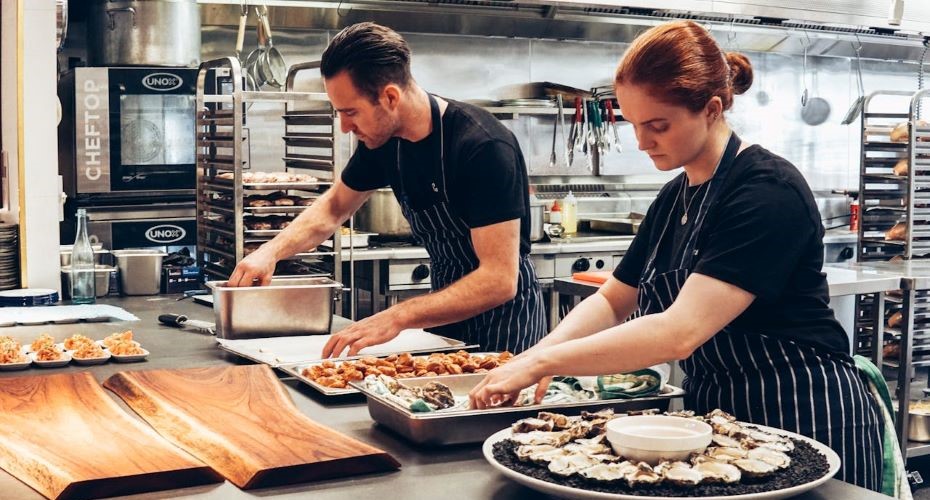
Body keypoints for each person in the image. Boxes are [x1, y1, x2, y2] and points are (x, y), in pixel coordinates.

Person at [469, 20, 883, 490]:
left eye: (657, 125)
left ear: (710, 109)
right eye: (634, 125)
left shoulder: (767, 191)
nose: (643, 142)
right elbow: (612, 301)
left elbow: (678, 332)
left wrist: (546, 364)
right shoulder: (674, 197)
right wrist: (535, 355)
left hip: (805, 410)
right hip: (720, 422)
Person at [228, 22, 547, 357]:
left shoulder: (482, 146)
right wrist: (269, 253)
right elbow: (334, 208)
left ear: (390, 97)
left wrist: (398, 316)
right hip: (444, 313)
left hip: (506, 326)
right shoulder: (384, 143)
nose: (345, 127)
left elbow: (498, 280)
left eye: (351, 112)